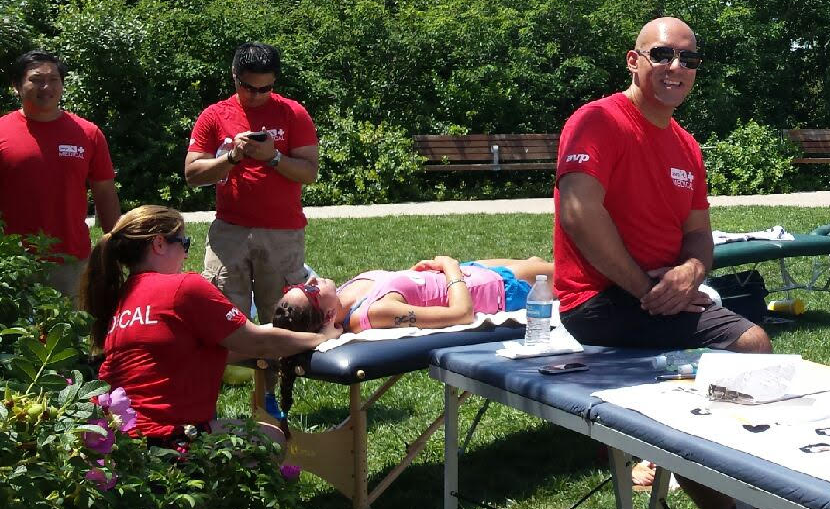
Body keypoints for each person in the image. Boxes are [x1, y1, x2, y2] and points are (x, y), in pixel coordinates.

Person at [551, 17, 821, 509]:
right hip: (598, 302)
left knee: (702, 398)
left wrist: (691, 272)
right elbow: (579, 213)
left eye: (689, 59)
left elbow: (699, 234)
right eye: (662, 54)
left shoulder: (686, 146)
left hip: (654, 300)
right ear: (634, 60)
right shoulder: (598, 121)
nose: (676, 67)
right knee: (748, 346)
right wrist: (649, 289)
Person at [86, 206, 330, 445]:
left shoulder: (121, 298)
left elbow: (217, 347)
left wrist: (295, 335)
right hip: (166, 440)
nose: (186, 255)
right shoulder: (183, 288)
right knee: (272, 440)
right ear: (159, 243)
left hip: (115, 442)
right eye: (184, 243)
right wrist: (322, 338)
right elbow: (257, 342)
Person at [183, 43, 319, 322]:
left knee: (284, 319)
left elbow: (309, 173)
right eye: (248, 87)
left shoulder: (293, 113)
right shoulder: (214, 115)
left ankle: (276, 355)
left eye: (265, 88)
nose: (256, 95)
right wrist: (233, 157)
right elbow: (192, 174)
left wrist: (273, 157)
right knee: (224, 319)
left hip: (282, 233)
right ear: (234, 74)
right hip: (230, 232)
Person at [0, 50, 121, 306]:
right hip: (11, 262)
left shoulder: (88, 134)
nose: (46, 87)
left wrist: (115, 247)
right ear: (16, 86)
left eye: (54, 79)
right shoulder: (3, 131)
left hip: (71, 261)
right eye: (36, 80)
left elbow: (105, 193)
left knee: (73, 329)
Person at [272, 254, 554, 335]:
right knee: (572, 269)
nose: (310, 280)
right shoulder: (374, 313)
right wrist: (450, 266)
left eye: (299, 285)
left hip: (474, 272)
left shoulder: (344, 295)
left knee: (538, 260)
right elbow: (461, 314)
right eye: (310, 290)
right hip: (498, 289)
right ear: (328, 315)